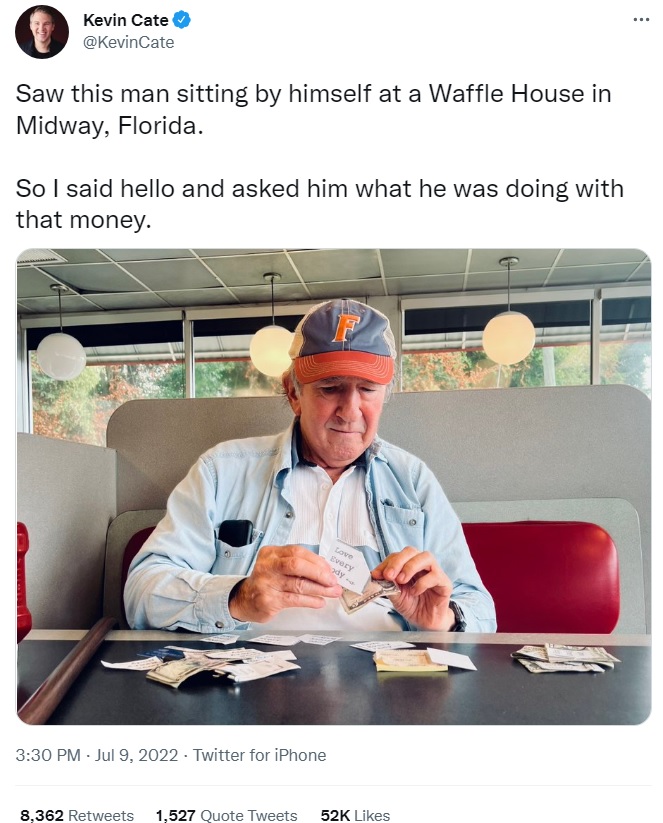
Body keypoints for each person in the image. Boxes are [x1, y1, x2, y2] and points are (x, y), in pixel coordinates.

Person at [125, 299, 496, 633]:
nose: (350, 411)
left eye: (367, 388)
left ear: (385, 395)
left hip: (389, 686)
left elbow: (481, 609)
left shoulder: (413, 480)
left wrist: (445, 620)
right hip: (247, 687)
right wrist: (238, 597)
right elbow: (142, 591)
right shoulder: (221, 471)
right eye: (330, 387)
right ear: (293, 393)